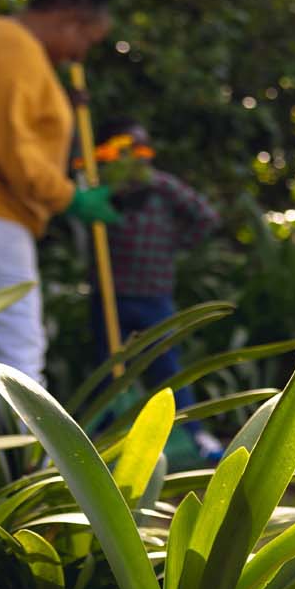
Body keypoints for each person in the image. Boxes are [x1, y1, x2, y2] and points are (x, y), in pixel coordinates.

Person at [0, 0, 128, 383]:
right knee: (14, 346)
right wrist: (69, 197)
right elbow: (11, 148)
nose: (79, 55)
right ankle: (20, 431)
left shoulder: (8, 47)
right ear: (73, 18)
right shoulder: (11, 49)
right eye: (87, 40)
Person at [90, 117, 223, 464]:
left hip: (154, 296)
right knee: (109, 372)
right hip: (109, 297)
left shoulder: (164, 188)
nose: (135, 156)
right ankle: (105, 442)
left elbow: (206, 217)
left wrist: (175, 245)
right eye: (125, 148)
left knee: (167, 367)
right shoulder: (98, 191)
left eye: (141, 148)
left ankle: (194, 435)